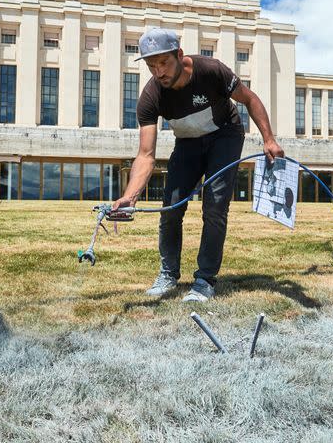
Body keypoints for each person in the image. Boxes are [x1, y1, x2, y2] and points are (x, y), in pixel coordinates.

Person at [112, 28, 284, 302]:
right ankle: (168, 274)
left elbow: (249, 99)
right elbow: (145, 155)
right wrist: (129, 197)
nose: (158, 72)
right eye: (151, 66)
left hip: (224, 135)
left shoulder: (211, 71)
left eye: (164, 63)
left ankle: (205, 280)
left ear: (179, 55)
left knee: (214, 205)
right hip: (188, 143)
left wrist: (269, 139)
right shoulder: (151, 96)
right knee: (170, 207)